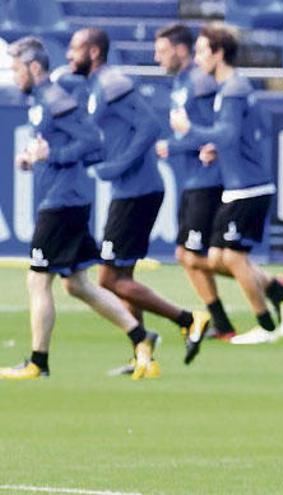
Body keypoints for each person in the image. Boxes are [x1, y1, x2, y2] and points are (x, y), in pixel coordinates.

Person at [0, 37, 160, 380]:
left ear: (35, 67)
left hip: (63, 203)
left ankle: (38, 363)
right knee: (77, 284)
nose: (14, 76)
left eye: (16, 69)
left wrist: (52, 157)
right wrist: (33, 159)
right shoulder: (42, 100)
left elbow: (91, 141)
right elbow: (60, 145)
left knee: (37, 280)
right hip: (62, 199)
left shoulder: (55, 98)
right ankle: (140, 336)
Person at [66, 28, 210, 364]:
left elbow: (149, 127)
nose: (69, 55)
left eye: (75, 49)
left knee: (109, 279)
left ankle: (189, 320)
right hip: (130, 190)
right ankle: (142, 357)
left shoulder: (112, 82)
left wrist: (117, 165)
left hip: (137, 190)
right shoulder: (96, 86)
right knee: (121, 278)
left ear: (94, 52)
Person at [169, 22, 283, 345]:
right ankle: (278, 292)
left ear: (219, 53)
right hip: (239, 185)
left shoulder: (232, 89)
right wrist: (216, 147)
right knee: (215, 257)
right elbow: (245, 131)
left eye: (202, 51)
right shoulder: (232, 89)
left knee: (230, 257)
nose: (197, 57)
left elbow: (228, 133)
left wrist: (190, 130)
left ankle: (266, 326)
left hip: (248, 186)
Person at [153, 24, 237, 349]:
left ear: (181, 49)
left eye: (162, 51)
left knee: (192, 254)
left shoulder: (200, 82)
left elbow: (211, 131)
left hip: (207, 181)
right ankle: (223, 323)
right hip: (192, 180)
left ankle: (270, 286)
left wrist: (177, 146)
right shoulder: (181, 83)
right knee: (185, 254)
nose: (156, 57)